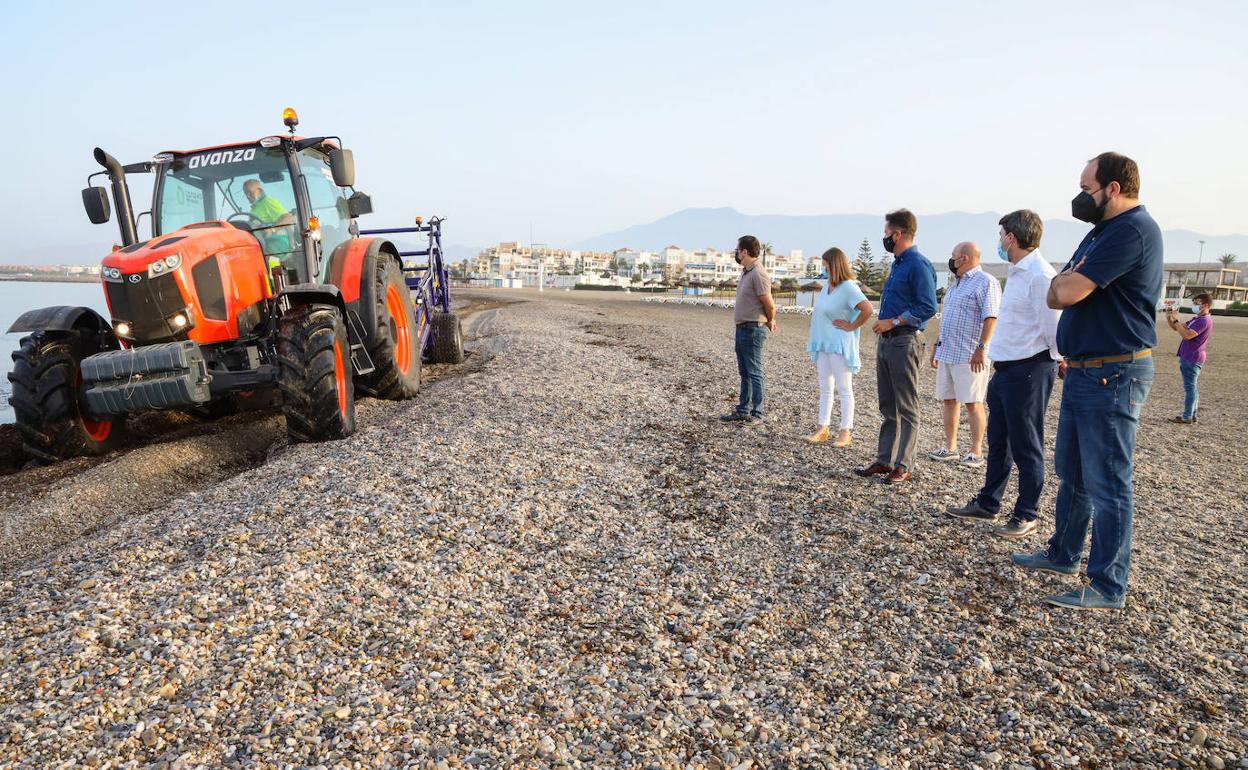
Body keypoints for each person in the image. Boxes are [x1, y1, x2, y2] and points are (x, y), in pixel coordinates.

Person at [1011, 152, 1163, 611]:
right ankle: (1064, 554)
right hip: (1084, 371)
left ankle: (1108, 585)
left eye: (1086, 188)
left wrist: (1066, 283)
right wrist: (1064, 284)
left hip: (1112, 373)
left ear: (1112, 188)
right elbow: (1057, 291)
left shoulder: (1132, 231)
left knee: (1108, 482)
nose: (1079, 197)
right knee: (1073, 473)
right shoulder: (1101, 232)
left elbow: (1066, 290)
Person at [946, 210, 1062, 539]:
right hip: (1005, 368)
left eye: (1001, 235)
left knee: (1027, 444)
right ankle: (988, 502)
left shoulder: (1040, 275)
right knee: (999, 442)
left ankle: (1027, 514)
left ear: (1011, 238)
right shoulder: (1018, 272)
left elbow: (1054, 327)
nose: (999, 241)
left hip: (1030, 368)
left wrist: (1055, 361)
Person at [854, 209, 938, 483]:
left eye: (886, 233)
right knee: (888, 405)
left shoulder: (918, 265)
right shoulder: (898, 264)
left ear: (898, 234)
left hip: (905, 340)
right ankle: (885, 460)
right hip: (888, 342)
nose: (885, 237)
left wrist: (894, 321)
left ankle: (904, 464)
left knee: (907, 405)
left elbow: (928, 306)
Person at [927, 241, 1000, 468]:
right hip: (948, 351)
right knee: (949, 400)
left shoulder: (986, 282)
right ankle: (950, 448)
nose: (951, 259)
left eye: (953, 255)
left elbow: (991, 317)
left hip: (970, 355)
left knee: (973, 402)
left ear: (964, 258)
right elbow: (948, 318)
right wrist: (937, 345)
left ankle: (976, 451)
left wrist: (981, 348)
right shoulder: (955, 284)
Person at [805, 247, 874, 447]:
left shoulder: (848, 287)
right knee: (825, 387)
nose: (823, 268)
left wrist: (851, 326)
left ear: (833, 265)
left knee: (844, 388)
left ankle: (845, 431)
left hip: (839, 343)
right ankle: (822, 428)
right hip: (823, 342)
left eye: (825, 265)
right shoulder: (827, 286)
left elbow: (867, 309)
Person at [720, 235, 777, 424]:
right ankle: (743, 409)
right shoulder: (746, 272)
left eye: (738, 250)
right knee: (744, 372)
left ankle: (757, 413)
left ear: (744, 251)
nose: (736, 254)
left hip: (753, 328)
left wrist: (771, 320)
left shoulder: (758, 273)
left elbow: (769, 303)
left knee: (754, 371)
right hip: (742, 328)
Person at [1164, 292, 1212, 424]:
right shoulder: (1196, 319)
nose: (1194, 305)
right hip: (1189, 356)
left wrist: (1176, 320)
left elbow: (1187, 335)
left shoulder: (1203, 320)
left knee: (1190, 387)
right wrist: (1170, 316)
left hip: (1192, 357)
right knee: (1192, 387)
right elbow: (1177, 328)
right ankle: (1192, 415)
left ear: (1205, 305)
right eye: (1194, 303)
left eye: (1197, 303)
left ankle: (1187, 416)